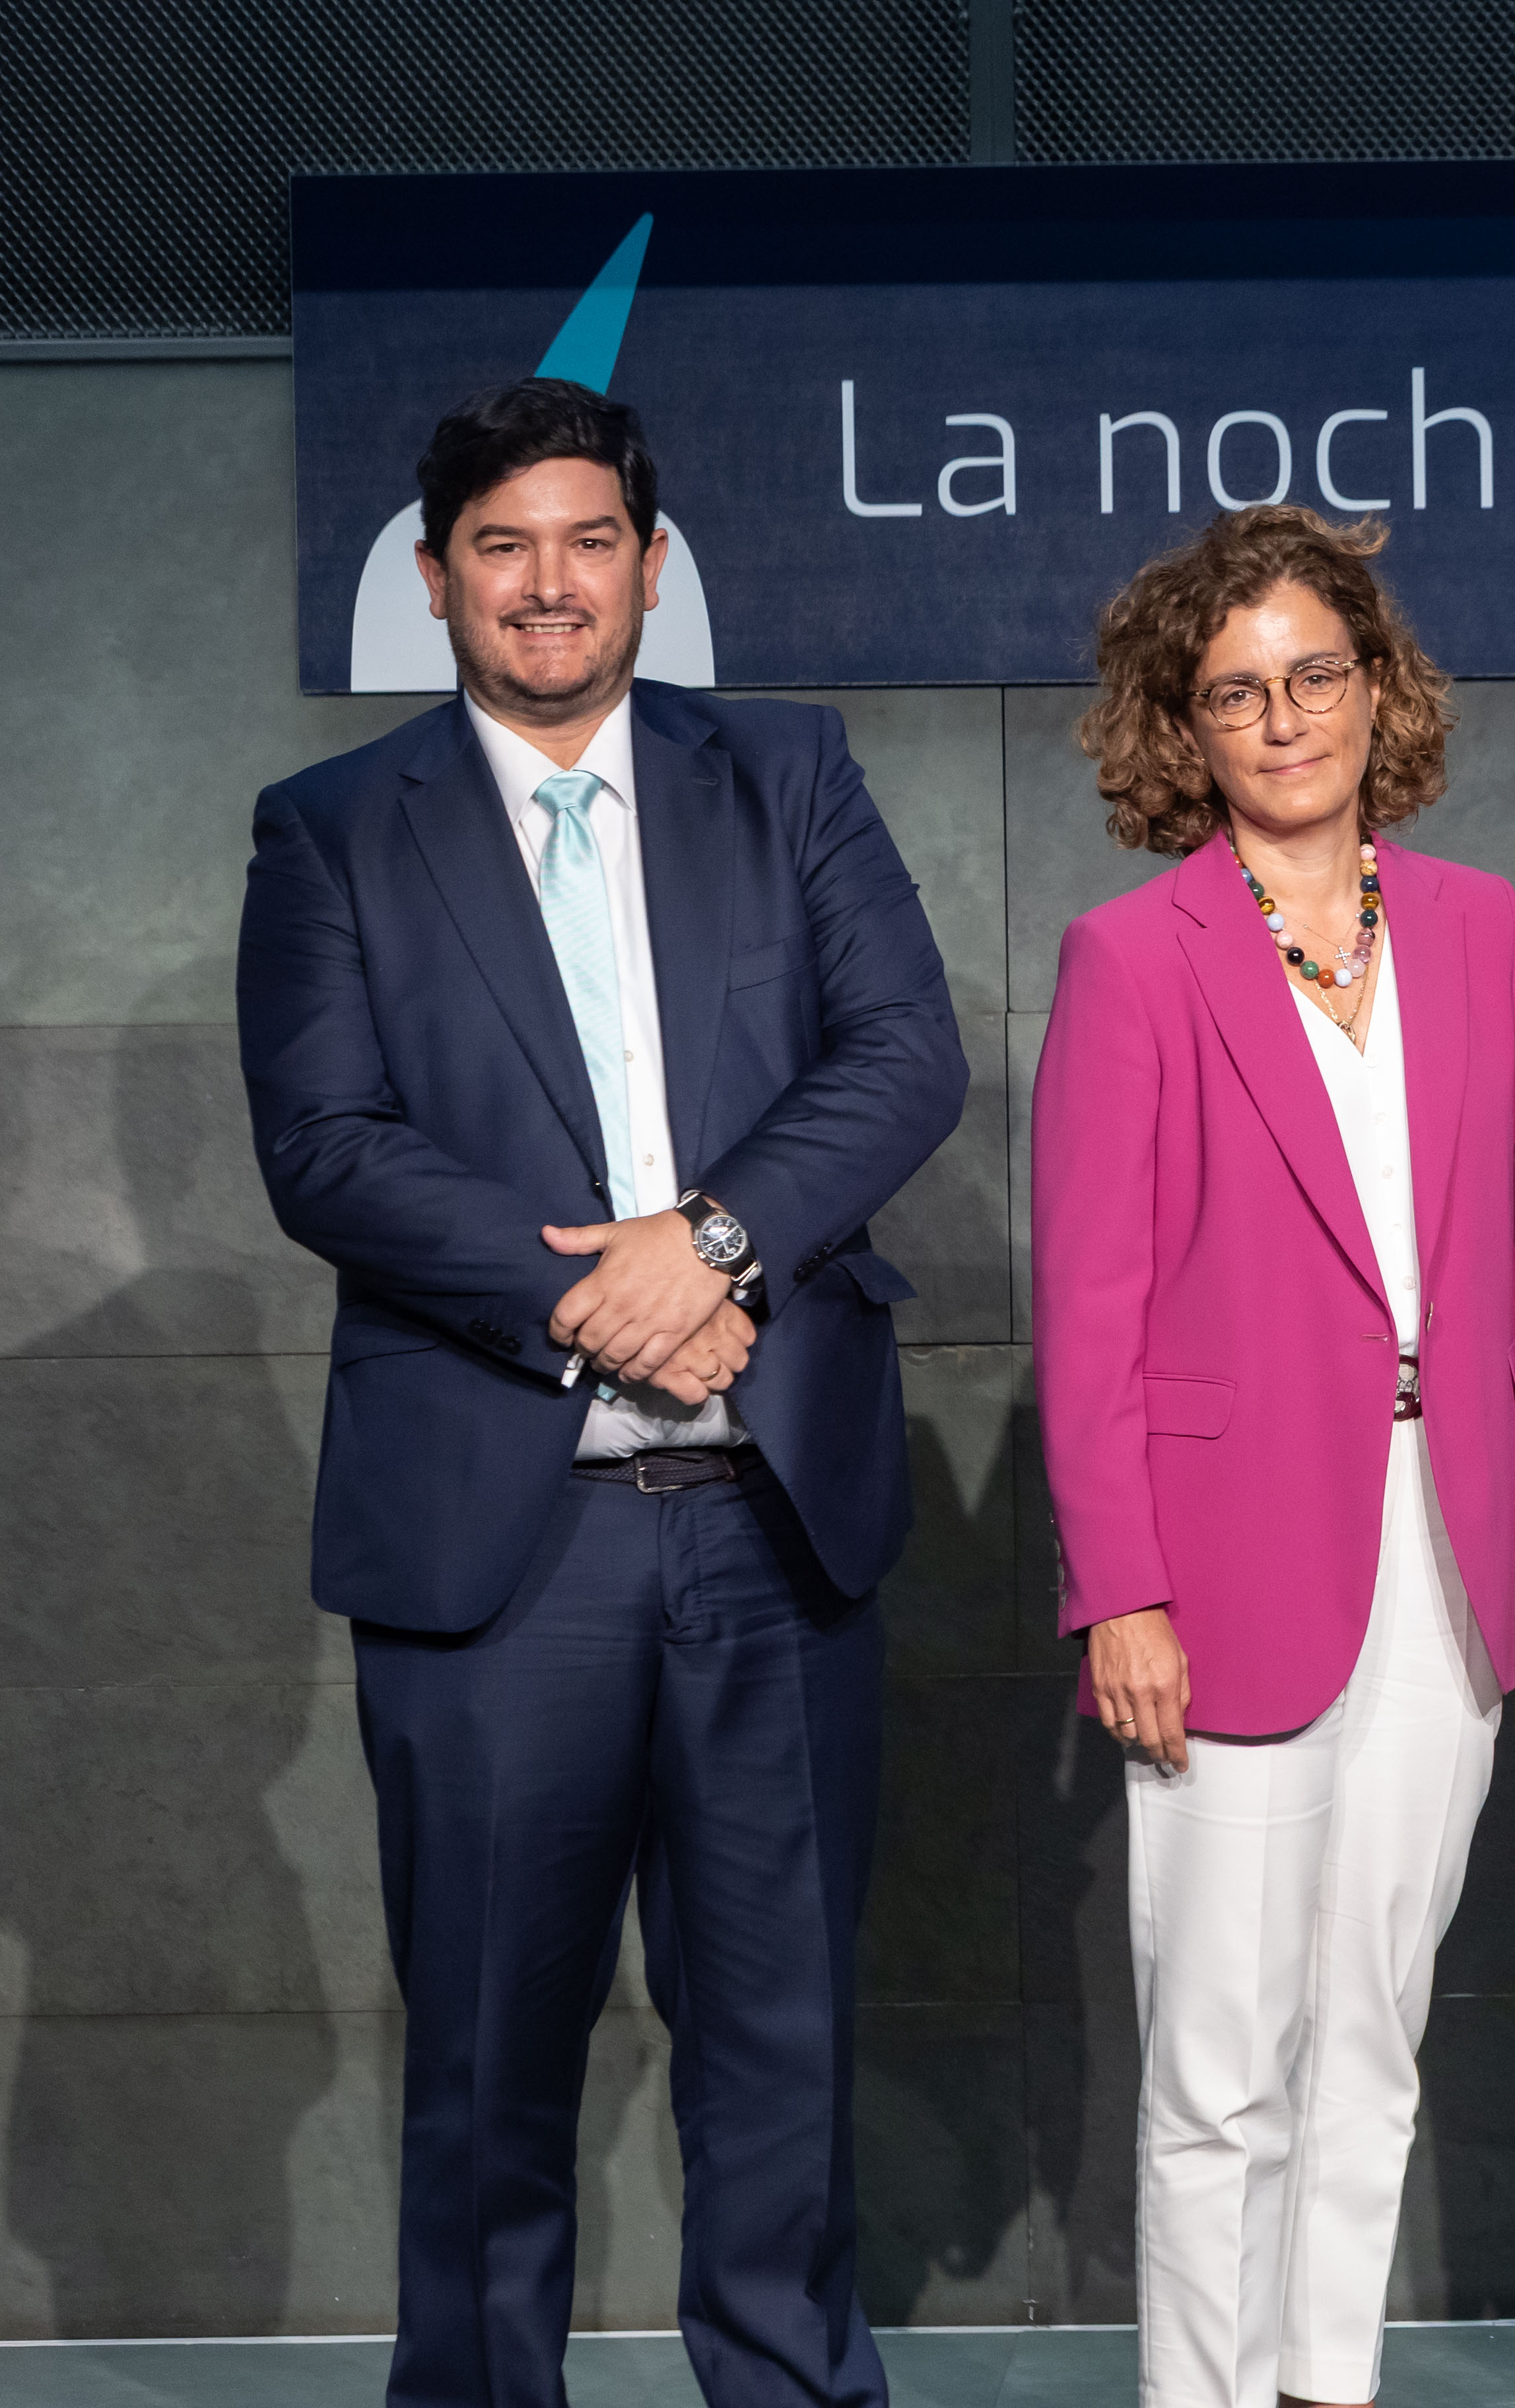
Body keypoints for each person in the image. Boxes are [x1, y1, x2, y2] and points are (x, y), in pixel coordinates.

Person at [236, 378, 969, 2408]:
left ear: (650, 566)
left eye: (586, 542)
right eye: (502, 547)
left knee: (783, 2072)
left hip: (774, 1527)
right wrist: (616, 1306)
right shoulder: (331, 832)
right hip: (505, 1553)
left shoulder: (789, 776)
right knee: (485, 2078)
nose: (547, 584)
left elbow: (903, 1055)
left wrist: (711, 1244)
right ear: (433, 577)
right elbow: (329, 1149)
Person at [1030, 506, 1515, 2408]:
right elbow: (1090, 1314)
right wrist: (1120, 1591)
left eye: (1314, 675)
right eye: (1235, 693)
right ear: (1181, 727)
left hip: (1455, 1540)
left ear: (1378, 689)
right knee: (1220, 2064)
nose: (1284, 719)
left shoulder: (1477, 925)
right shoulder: (1133, 959)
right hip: (1221, 1564)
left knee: (1374, 2032)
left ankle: (1323, 2385)